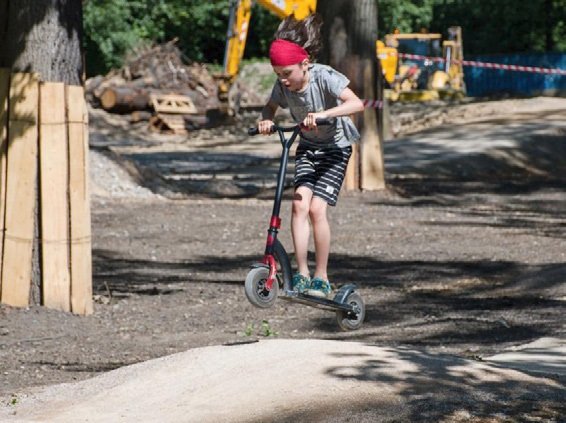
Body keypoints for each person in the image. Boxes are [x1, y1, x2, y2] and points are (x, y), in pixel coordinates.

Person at [258, 14, 364, 298]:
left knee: (317, 209)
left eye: (287, 73)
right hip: (307, 147)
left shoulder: (325, 76)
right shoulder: (283, 85)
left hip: (336, 149)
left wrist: (323, 115)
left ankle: (322, 276)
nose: (283, 80)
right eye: (278, 74)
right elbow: (269, 107)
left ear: (304, 65)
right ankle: (302, 273)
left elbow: (357, 103)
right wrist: (266, 120)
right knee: (298, 207)